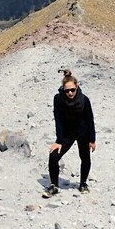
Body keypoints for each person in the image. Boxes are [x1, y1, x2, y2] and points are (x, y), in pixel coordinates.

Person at [43, 69, 96, 197]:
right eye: (67, 91)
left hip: (83, 132)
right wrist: (59, 141)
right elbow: (58, 120)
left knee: (85, 158)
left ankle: (83, 183)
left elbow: (90, 119)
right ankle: (54, 185)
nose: (70, 93)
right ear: (63, 89)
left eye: (72, 90)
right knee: (54, 156)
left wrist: (92, 140)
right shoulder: (58, 99)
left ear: (77, 86)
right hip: (67, 133)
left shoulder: (84, 100)